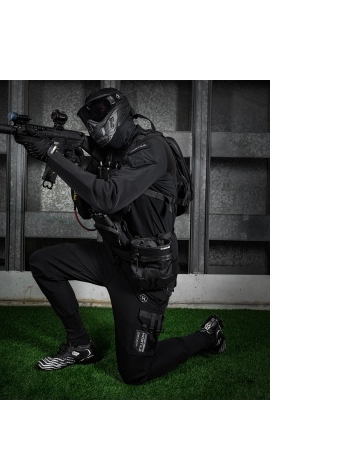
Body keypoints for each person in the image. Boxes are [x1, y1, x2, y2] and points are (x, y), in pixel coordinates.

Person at [23, 87, 226, 385]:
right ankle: (80, 345)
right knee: (43, 263)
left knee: (135, 373)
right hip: (112, 258)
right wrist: (75, 162)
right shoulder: (107, 153)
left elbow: (108, 197)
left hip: (145, 273)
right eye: (88, 120)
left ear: (118, 113)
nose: (93, 125)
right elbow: (90, 210)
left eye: (98, 116)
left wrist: (52, 156)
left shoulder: (152, 148)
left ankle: (208, 336)